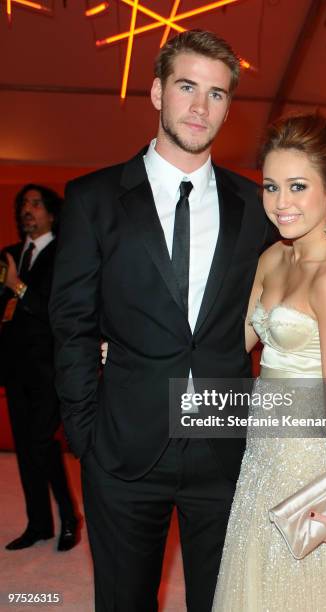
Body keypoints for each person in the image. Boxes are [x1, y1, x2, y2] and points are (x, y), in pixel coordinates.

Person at [49, 30, 272, 612]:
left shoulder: (255, 207)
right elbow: (71, 324)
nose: (201, 107)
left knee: (224, 602)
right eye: (187, 87)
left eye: (217, 94)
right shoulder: (92, 199)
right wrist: (85, 434)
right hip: (122, 451)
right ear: (156, 92)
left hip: (225, 448)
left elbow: (287, 304)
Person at [212, 114, 326, 610]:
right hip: (262, 447)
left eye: (297, 186)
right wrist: (136, 345)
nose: (280, 202)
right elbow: (230, 344)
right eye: (270, 186)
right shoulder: (273, 258)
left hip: (307, 453)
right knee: (256, 574)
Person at [0, 184, 79, 551]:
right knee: (26, 448)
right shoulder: (11, 254)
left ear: (51, 213)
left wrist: (17, 286)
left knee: (41, 443)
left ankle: (68, 517)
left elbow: (55, 310)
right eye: (23, 205)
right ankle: (38, 524)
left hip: (50, 366)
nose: (26, 210)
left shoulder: (66, 253)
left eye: (35, 204)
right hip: (15, 369)